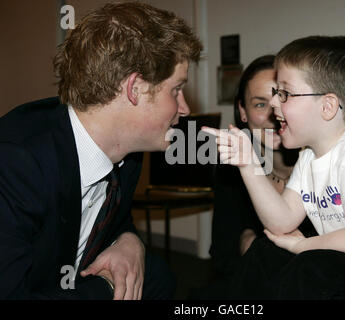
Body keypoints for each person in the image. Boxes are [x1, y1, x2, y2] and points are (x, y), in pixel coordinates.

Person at [202, 36, 345, 299]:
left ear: (327, 107)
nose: (274, 103)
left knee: (311, 267)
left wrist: (304, 245)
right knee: (265, 251)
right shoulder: (309, 157)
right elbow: (281, 221)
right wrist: (249, 164)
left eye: (284, 93)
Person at [0, 2, 202, 299]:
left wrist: (130, 240)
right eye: (176, 90)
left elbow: (116, 218)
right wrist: (105, 287)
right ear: (134, 88)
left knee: (156, 276)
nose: (185, 109)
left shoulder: (126, 152)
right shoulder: (15, 162)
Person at [209, 55, 315, 279]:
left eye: (283, 98)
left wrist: (256, 245)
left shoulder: (322, 163)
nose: (274, 114)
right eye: (260, 104)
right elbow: (222, 255)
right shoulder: (232, 168)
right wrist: (244, 242)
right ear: (243, 112)